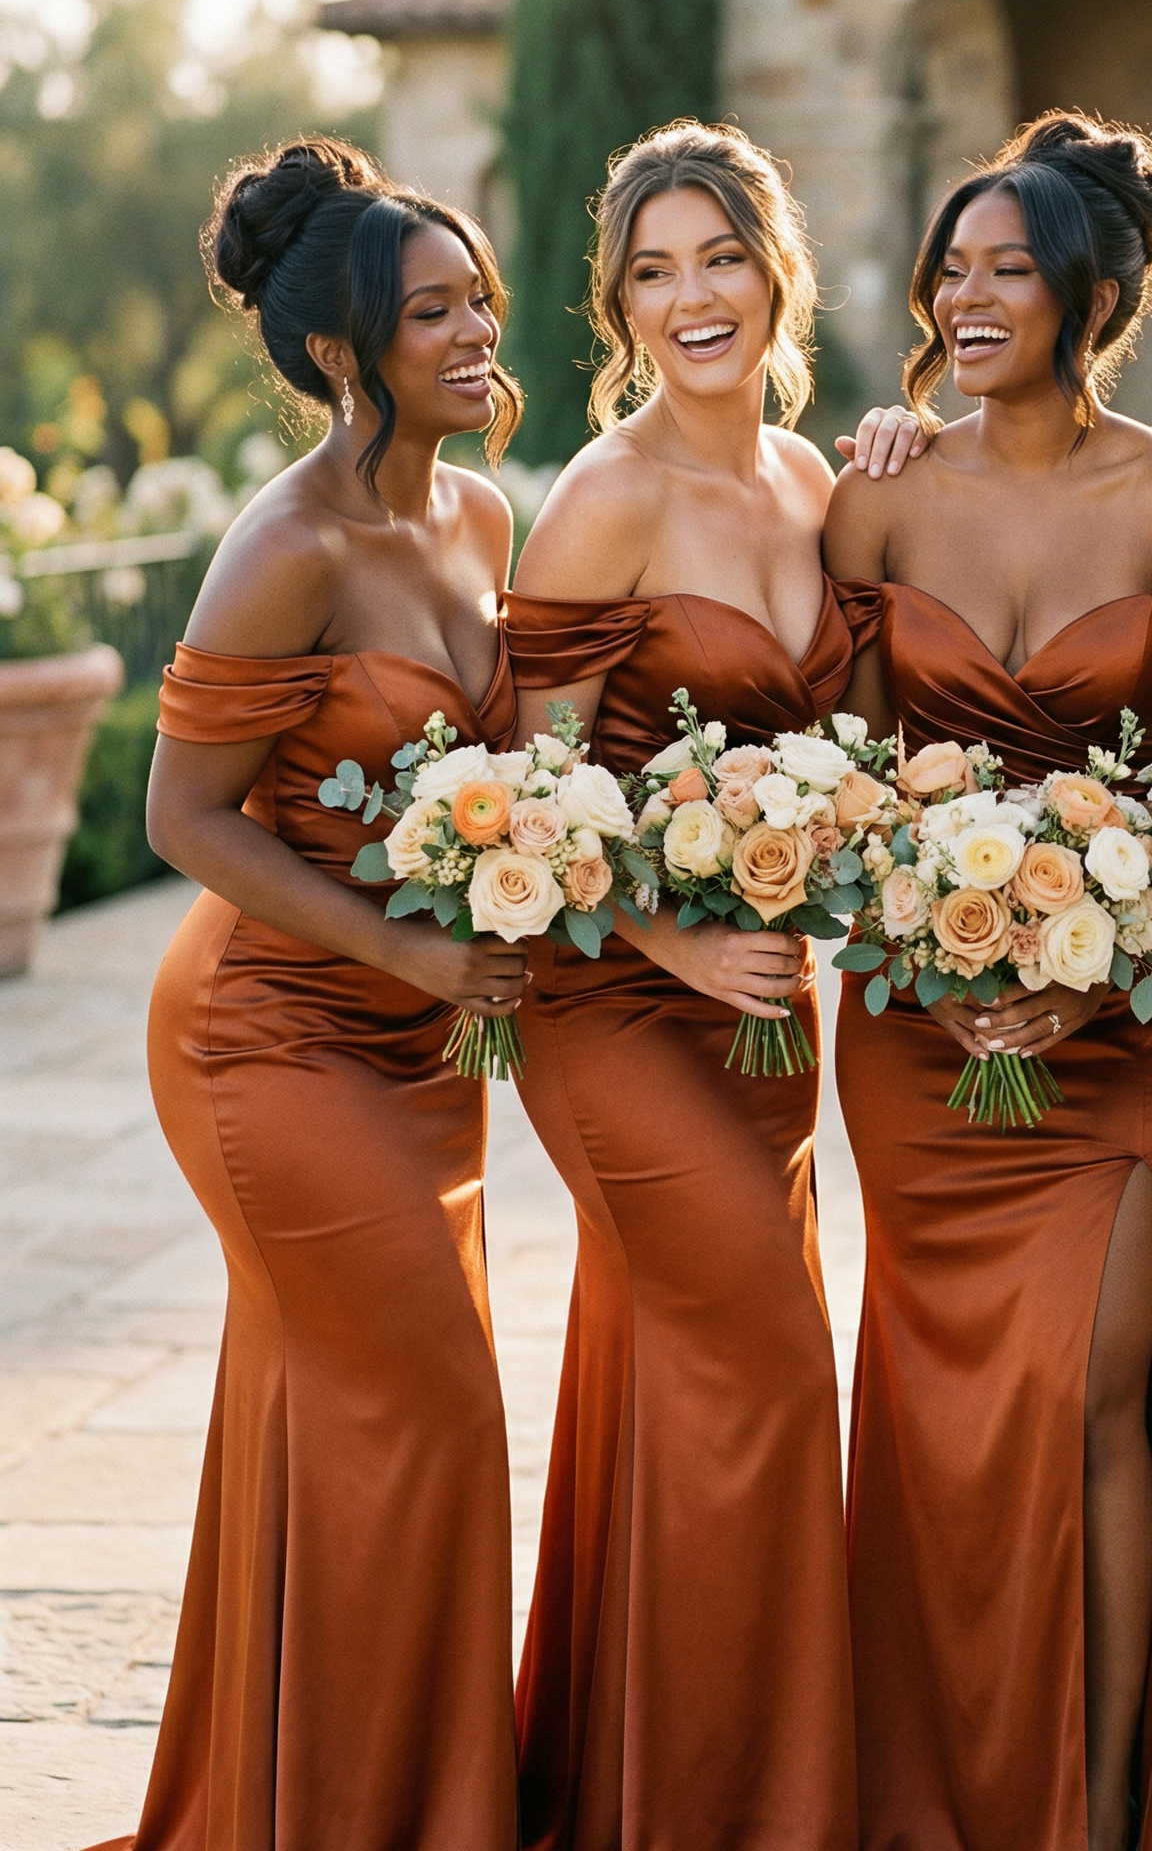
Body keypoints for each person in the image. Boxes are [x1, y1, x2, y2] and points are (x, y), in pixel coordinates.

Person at [825, 111, 1152, 1851]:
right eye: (955, 267)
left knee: (1099, 1399)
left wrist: (1090, 983)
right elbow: (844, 780)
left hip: (1132, 1018)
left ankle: (1094, 1817)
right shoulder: (878, 488)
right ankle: (934, 1796)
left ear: (1092, 295)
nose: (970, 293)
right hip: (919, 1038)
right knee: (942, 1417)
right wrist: (930, 951)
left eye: (1011, 267)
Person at [98, 137, 525, 1849]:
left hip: (424, 1045)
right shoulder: (287, 545)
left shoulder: (485, 507)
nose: (479, 328)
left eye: (480, 292)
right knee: (428, 1403)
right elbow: (178, 816)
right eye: (436, 312)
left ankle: (296, 1805)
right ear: (346, 353)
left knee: (329, 1410)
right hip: (268, 1034)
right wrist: (422, 951)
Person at [503, 121, 857, 1851]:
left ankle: (644, 1784)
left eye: (718, 256)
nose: (690, 296)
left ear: (776, 266)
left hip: (776, 1014)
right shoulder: (603, 495)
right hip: (623, 1007)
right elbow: (527, 797)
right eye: (652, 272)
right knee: (773, 1372)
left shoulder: (818, 485)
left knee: (681, 1377)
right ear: (621, 308)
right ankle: (756, 1811)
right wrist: (674, 940)